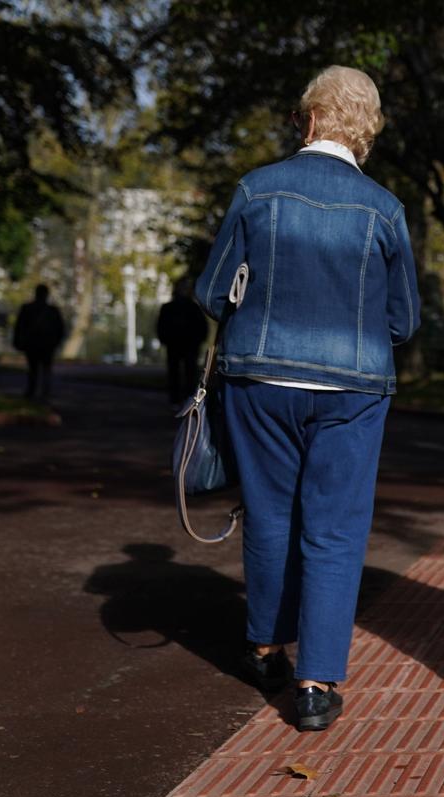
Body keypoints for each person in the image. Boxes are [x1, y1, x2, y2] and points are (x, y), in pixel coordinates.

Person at [194, 66, 420, 732]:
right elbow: (403, 321)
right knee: (336, 529)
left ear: (310, 119)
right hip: (353, 387)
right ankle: (316, 682)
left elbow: (212, 292)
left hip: (260, 379)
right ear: (364, 131)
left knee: (269, 516)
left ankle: (265, 645)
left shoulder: (255, 190)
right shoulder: (385, 210)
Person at [156, 280, 209, 408]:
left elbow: (202, 327)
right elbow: (161, 326)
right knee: (180, 372)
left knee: (185, 372)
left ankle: (183, 398)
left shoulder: (188, 307)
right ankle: (183, 398)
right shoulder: (189, 307)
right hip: (180, 344)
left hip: (185, 345)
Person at [12, 284, 66, 401]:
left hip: (35, 345)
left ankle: (34, 391)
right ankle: (42, 392)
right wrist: (56, 342)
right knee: (43, 369)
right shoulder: (52, 311)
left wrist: (18, 341)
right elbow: (61, 329)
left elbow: (19, 327)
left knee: (34, 369)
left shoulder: (28, 309)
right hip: (45, 346)